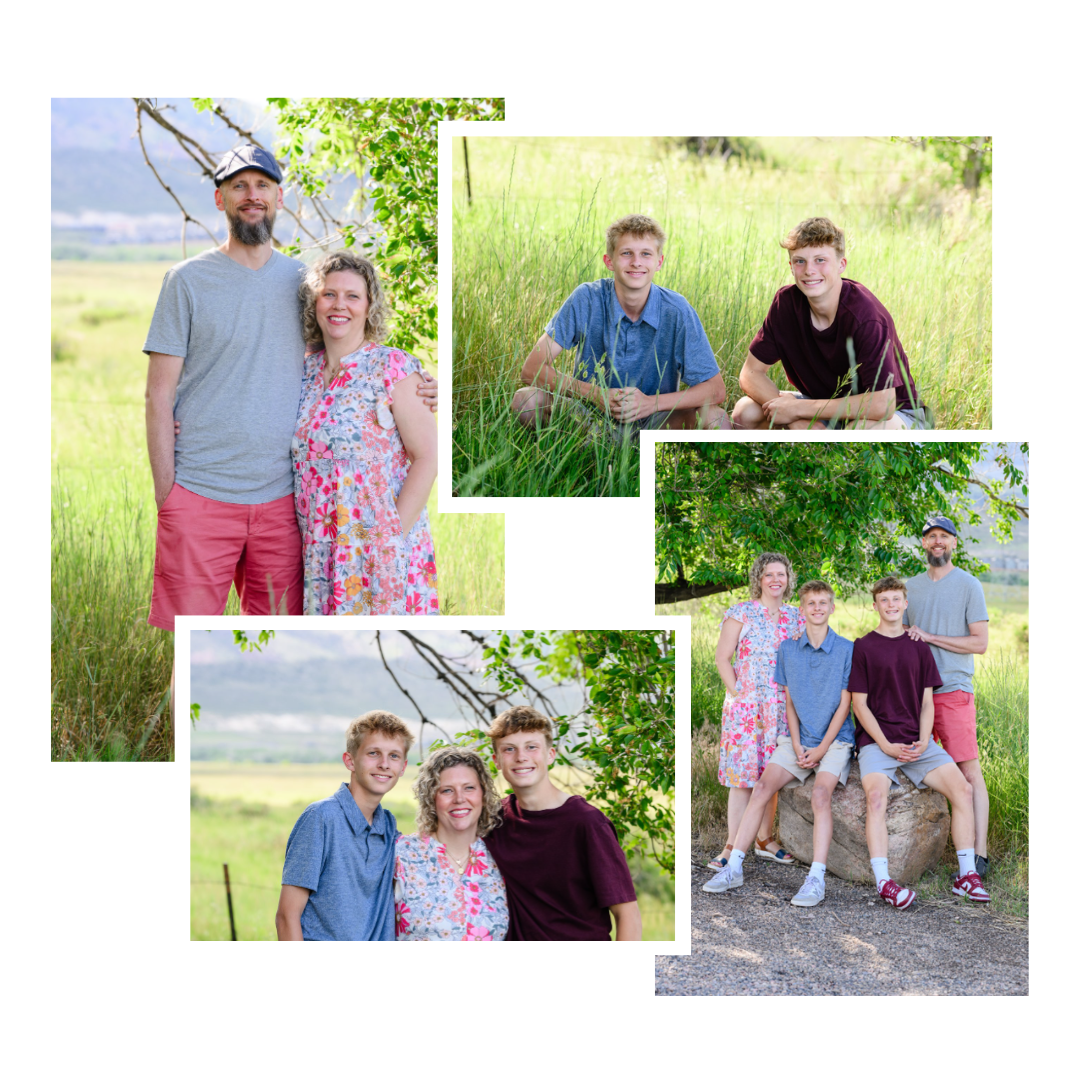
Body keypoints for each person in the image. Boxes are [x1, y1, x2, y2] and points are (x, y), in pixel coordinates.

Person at [143, 147, 437, 701]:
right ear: (220, 199)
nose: (251, 195)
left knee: (278, 632)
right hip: (201, 494)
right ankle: (179, 752)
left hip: (285, 505)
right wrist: (169, 496)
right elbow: (158, 396)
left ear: (280, 197)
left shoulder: (305, 283)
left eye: (263, 185)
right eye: (238, 186)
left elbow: (359, 361)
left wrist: (424, 385)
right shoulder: (186, 281)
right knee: (190, 641)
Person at [293, 250, 438, 615]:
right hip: (319, 549)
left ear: (369, 305)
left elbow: (428, 457)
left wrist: (391, 538)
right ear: (315, 302)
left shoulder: (392, 366)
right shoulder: (303, 372)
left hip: (377, 548)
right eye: (329, 294)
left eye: (352, 296)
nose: (339, 304)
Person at [511, 214, 731, 441]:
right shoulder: (586, 298)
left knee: (716, 419)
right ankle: (564, 457)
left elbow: (716, 390)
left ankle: (664, 467)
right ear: (609, 261)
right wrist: (597, 395)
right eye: (627, 253)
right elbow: (531, 369)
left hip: (656, 425)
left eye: (646, 254)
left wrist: (650, 403)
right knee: (525, 400)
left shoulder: (677, 310)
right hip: (588, 419)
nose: (636, 262)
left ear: (659, 262)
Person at [702, 580, 854, 908]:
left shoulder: (846, 649)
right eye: (810, 604)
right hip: (794, 738)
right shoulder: (787, 648)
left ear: (831, 608)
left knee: (820, 795)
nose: (816, 609)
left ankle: (815, 878)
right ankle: (735, 865)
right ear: (802, 611)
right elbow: (789, 703)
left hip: (834, 740)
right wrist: (797, 744)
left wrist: (822, 747)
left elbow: (845, 705)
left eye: (822, 603)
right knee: (760, 787)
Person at [849, 576, 989, 908]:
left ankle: (966, 876)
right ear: (875, 606)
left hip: (917, 742)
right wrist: (884, 745)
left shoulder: (918, 647)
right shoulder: (864, 646)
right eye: (885, 600)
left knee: (963, 789)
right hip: (877, 743)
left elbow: (928, 702)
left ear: (905, 604)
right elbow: (859, 704)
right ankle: (884, 882)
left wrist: (925, 739)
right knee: (876, 799)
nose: (891, 605)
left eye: (897, 600)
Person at [731, 216, 927, 430]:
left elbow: (883, 404)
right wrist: (795, 418)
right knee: (745, 412)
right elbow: (750, 373)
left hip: (894, 416)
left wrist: (799, 410)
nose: (809, 270)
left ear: (841, 264)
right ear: (791, 266)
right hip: (824, 407)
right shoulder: (786, 304)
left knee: (859, 431)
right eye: (800, 261)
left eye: (820, 260)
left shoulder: (866, 316)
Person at [482, 706, 641, 940]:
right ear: (496, 760)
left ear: (550, 754)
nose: (521, 757)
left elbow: (627, 914)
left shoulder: (587, 823)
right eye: (509, 749)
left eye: (532, 747)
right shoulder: (493, 822)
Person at [903, 516, 990, 879]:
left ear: (954, 542)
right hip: (916, 694)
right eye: (931, 536)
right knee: (917, 768)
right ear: (923, 544)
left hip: (953, 690)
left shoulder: (969, 585)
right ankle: (922, 850)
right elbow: (903, 636)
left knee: (967, 770)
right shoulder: (910, 587)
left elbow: (980, 643)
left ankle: (979, 857)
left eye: (944, 536)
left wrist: (932, 637)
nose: (937, 542)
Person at [276, 710, 413, 940]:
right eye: (373, 753)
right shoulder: (321, 818)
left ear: (403, 767)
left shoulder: (388, 826)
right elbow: (286, 917)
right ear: (350, 760)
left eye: (394, 756)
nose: (384, 764)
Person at [708, 553, 806, 874]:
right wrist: (739, 694)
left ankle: (765, 840)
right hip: (746, 707)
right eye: (769, 575)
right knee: (742, 777)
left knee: (770, 774)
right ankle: (731, 845)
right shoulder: (741, 612)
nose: (775, 580)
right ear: (759, 579)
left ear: (788, 579)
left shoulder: (796, 617)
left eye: (781, 574)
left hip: (781, 706)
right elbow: (723, 658)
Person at [393, 747, 508, 941]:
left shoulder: (501, 857)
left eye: (469, 788)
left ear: (483, 793)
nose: (460, 799)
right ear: (431, 798)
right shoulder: (402, 855)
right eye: (447, 790)